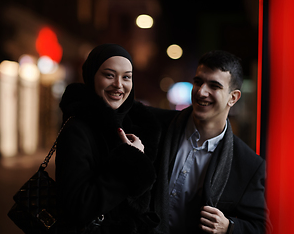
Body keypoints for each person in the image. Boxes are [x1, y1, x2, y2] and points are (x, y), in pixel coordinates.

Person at [150, 50, 270, 234]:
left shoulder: (249, 165)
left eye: (214, 86)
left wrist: (228, 227)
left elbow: (261, 228)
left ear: (233, 97)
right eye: (198, 82)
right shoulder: (157, 127)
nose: (201, 91)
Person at [55, 43, 162, 233]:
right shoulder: (77, 130)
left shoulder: (133, 123)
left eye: (127, 77)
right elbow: (78, 206)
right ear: (92, 77)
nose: (119, 85)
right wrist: (131, 161)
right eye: (109, 75)